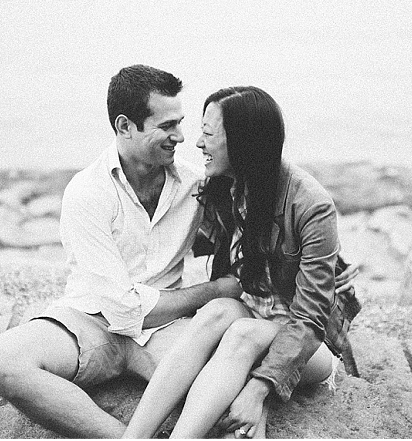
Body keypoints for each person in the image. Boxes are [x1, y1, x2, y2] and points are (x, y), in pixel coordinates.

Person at [0, 65, 246, 438]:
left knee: (231, 404)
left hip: (166, 328)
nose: (180, 137)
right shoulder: (87, 191)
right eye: (166, 126)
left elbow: (245, 234)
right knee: (1, 361)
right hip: (92, 320)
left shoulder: (195, 186)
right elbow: (122, 309)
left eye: (180, 123)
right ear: (124, 127)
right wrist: (212, 292)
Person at [122, 86, 361, 439]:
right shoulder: (223, 188)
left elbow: (309, 320)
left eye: (207, 134)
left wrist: (256, 392)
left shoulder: (310, 204)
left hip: (309, 342)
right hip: (253, 312)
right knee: (217, 311)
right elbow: (166, 236)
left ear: (243, 142)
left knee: (241, 333)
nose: (198, 144)